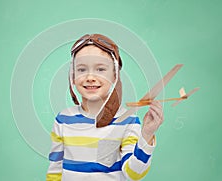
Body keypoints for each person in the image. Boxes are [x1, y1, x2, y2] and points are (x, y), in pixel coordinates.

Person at [46, 34, 164, 181]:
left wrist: (146, 135)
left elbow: (134, 174)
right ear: (73, 76)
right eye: (82, 69)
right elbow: (55, 170)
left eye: (100, 69)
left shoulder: (127, 121)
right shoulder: (63, 120)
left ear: (115, 75)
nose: (90, 77)